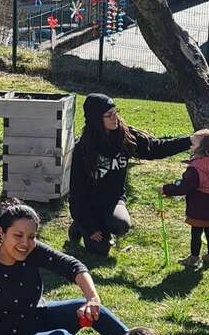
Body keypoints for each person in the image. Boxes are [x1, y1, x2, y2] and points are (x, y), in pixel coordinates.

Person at [0, 200, 128, 335]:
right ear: (2, 233)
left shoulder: (31, 250)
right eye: (18, 235)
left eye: (31, 237)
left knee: (90, 307)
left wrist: (92, 298)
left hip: (40, 316)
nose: (24, 243)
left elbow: (73, 266)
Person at [69, 93, 191, 255]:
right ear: (96, 119)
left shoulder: (124, 137)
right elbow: (77, 192)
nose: (115, 118)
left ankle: (104, 226)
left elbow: (155, 148)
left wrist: (189, 141)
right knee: (100, 250)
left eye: (116, 112)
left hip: (113, 201)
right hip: (89, 206)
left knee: (121, 225)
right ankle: (78, 226)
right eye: (109, 115)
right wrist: (88, 226)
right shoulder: (82, 149)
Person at [161, 129, 209, 269]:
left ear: (202, 148)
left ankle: (194, 258)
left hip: (198, 207)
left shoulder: (196, 168)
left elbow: (185, 187)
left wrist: (166, 189)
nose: (190, 145)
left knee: (196, 233)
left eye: (193, 143)